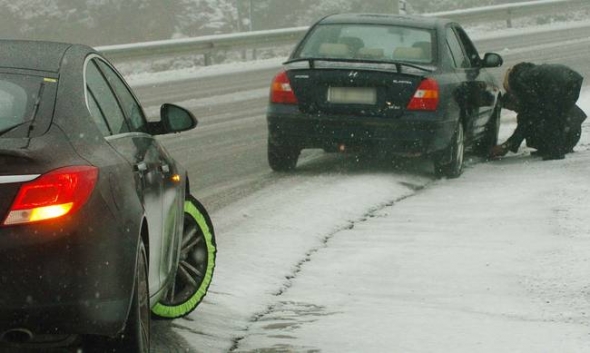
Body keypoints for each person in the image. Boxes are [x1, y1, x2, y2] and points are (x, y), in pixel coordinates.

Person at [490, 62, 586, 160]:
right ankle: (555, 148)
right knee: (555, 114)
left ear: (514, 97)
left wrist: (507, 146)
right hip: (571, 78)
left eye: (513, 108)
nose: (515, 111)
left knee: (547, 116)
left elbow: (526, 121)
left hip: (559, 83)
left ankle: (555, 152)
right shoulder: (527, 75)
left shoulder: (519, 85)